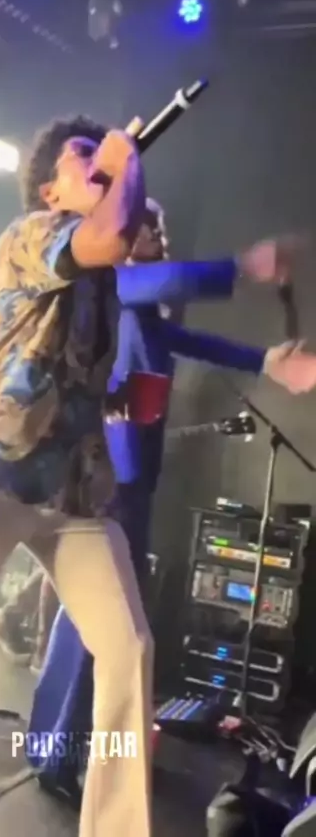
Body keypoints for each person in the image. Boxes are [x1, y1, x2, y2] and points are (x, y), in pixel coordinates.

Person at [0, 116, 315, 837]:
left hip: (76, 497)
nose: (96, 163)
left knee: (128, 649)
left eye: (100, 154)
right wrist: (230, 257)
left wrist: (262, 361)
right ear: (50, 191)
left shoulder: (111, 279)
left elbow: (160, 309)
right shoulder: (32, 235)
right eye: (80, 156)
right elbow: (125, 249)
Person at [26, 196, 316, 808]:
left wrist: (268, 361)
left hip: (130, 479)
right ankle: (58, 752)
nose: (161, 234)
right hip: (106, 479)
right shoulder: (116, 281)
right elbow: (162, 285)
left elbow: (190, 339)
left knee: (94, 622)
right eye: (149, 227)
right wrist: (245, 266)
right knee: (105, 626)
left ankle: (57, 748)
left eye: (161, 227)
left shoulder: (145, 306)